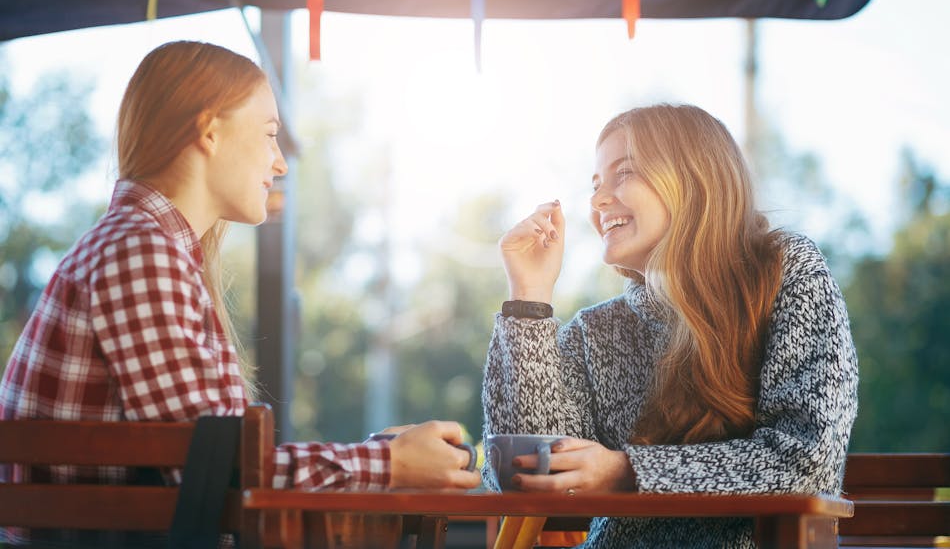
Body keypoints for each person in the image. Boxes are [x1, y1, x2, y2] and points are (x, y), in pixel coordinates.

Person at [0, 40, 480, 546]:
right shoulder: (142, 253)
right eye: (270, 135)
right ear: (210, 131)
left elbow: (215, 464)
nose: (280, 164)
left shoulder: (140, 246)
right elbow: (216, 474)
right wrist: (388, 463)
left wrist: (383, 458)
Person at [482, 103, 859, 548]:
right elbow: (518, 471)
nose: (598, 201)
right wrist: (529, 299)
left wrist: (627, 471)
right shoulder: (596, 331)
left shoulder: (787, 272)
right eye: (596, 184)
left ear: (694, 179)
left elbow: (806, 461)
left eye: (623, 173)